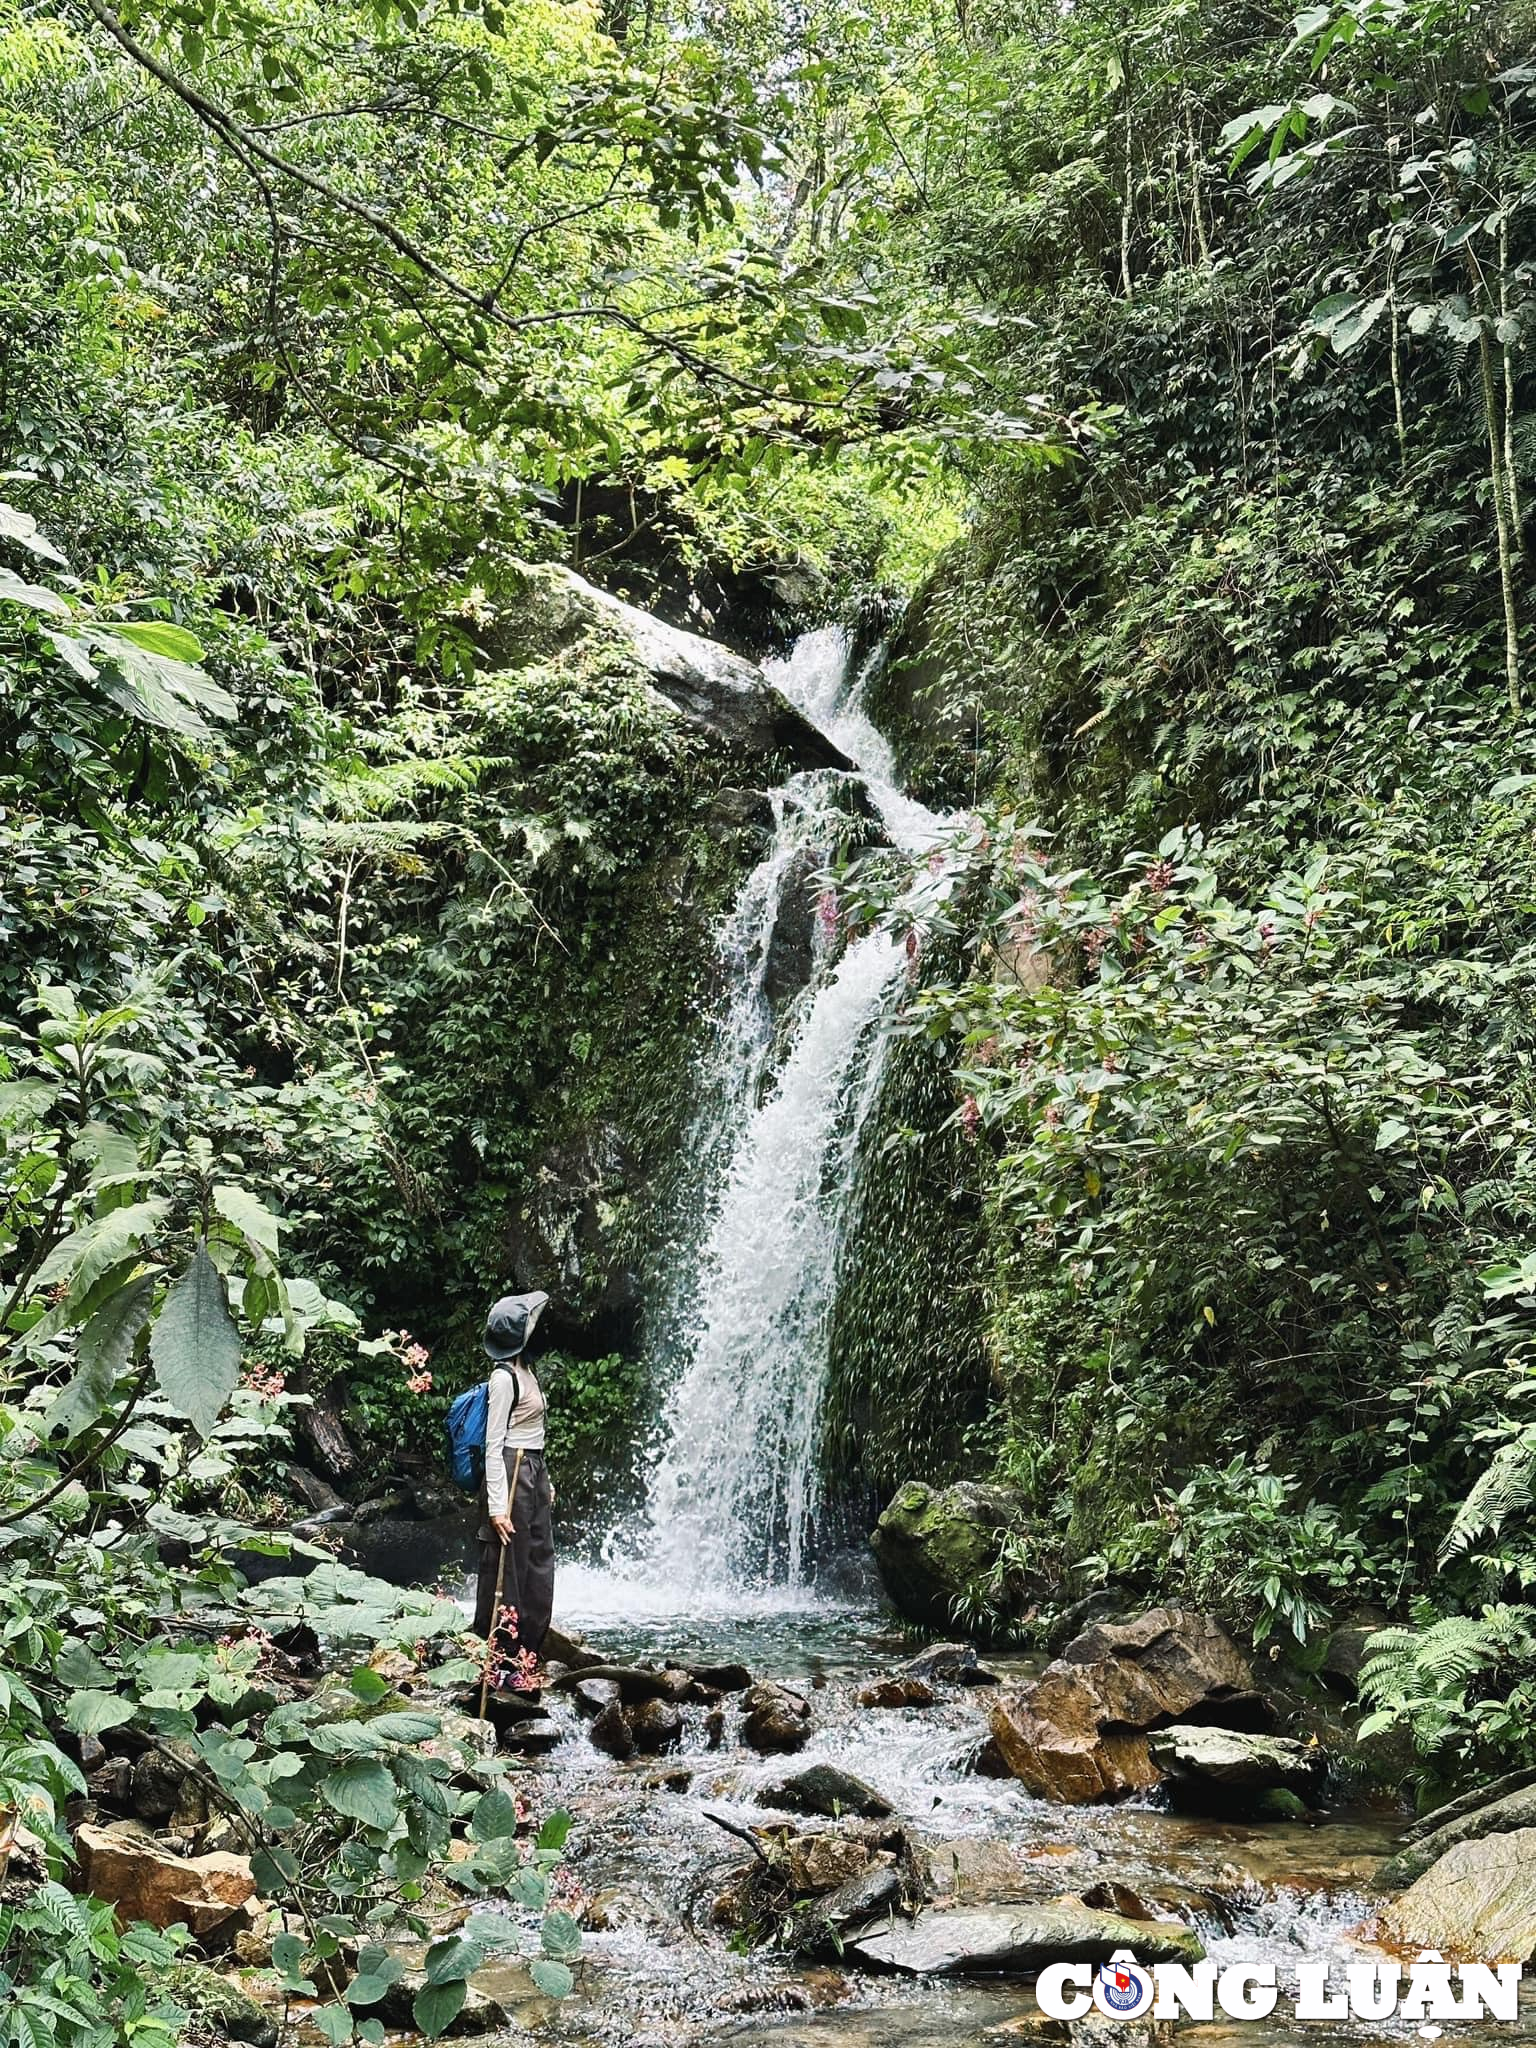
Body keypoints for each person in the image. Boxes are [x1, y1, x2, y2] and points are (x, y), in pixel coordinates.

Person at [472, 1289, 556, 1696]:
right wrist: (495, 1507)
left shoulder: (527, 1371)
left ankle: (528, 1656)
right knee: (509, 1570)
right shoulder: (502, 1378)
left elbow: (535, 1433)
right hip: (512, 1468)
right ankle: (500, 1665)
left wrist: (546, 1480)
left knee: (539, 1562)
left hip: (533, 1468)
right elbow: (493, 1444)